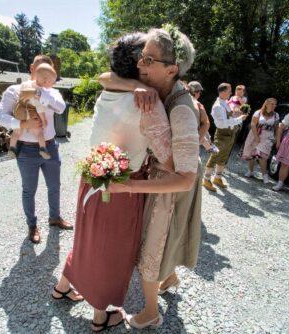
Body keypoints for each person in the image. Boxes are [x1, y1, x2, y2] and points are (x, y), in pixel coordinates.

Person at [53, 32, 175, 332]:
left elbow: (103, 77)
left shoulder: (110, 89)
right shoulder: (148, 100)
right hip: (121, 184)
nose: (148, 63)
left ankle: (62, 287)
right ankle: (100, 314)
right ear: (139, 65)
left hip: (91, 176)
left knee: (86, 239)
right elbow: (169, 159)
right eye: (146, 58)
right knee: (111, 249)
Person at [99, 24, 201, 330]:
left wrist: (129, 185)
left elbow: (185, 178)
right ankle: (169, 277)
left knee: (151, 248)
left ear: (171, 69)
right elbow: (104, 77)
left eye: (148, 61)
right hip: (160, 177)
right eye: (142, 57)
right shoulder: (155, 86)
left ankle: (150, 312)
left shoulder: (182, 110)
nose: (139, 66)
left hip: (170, 185)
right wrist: (135, 87)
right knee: (163, 241)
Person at [0, 55, 72, 244]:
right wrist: (22, 123)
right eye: (40, 69)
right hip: (27, 149)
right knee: (29, 190)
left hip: (50, 146)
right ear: (32, 68)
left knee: (54, 186)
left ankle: (54, 217)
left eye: (48, 71)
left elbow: (61, 108)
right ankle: (32, 225)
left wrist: (39, 94)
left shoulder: (52, 93)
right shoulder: (14, 90)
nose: (44, 75)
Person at [203, 83, 248, 191]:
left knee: (224, 157)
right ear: (222, 92)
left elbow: (229, 115)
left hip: (230, 133)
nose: (231, 93)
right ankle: (206, 179)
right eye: (229, 91)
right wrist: (239, 119)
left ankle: (217, 178)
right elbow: (221, 124)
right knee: (215, 155)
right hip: (222, 134)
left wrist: (236, 114)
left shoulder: (225, 103)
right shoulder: (218, 106)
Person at [9, 64, 58, 159]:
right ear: (44, 80)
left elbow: (19, 96)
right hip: (30, 112)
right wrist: (44, 120)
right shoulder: (38, 92)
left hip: (19, 110)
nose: (53, 84)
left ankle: (12, 147)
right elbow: (40, 109)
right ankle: (43, 148)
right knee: (39, 132)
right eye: (52, 82)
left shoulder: (25, 84)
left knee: (16, 131)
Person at [241, 98, 279, 183]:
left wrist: (276, 138)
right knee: (252, 154)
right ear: (266, 104)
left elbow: (277, 128)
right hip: (255, 134)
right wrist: (256, 136)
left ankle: (264, 175)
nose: (274, 106)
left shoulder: (276, 115)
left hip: (267, 136)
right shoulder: (258, 112)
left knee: (263, 156)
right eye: (272, 104)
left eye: (275, 104)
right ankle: (250, 171)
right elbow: (253, 124)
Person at [188, 81, 218, 154]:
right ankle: (209, 147)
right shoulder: (198, 105)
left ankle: (209, 146)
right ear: (196, 92)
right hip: (192, 138)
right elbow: (206, 124)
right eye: (199, 93)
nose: (200, 95)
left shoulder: (179, 101)